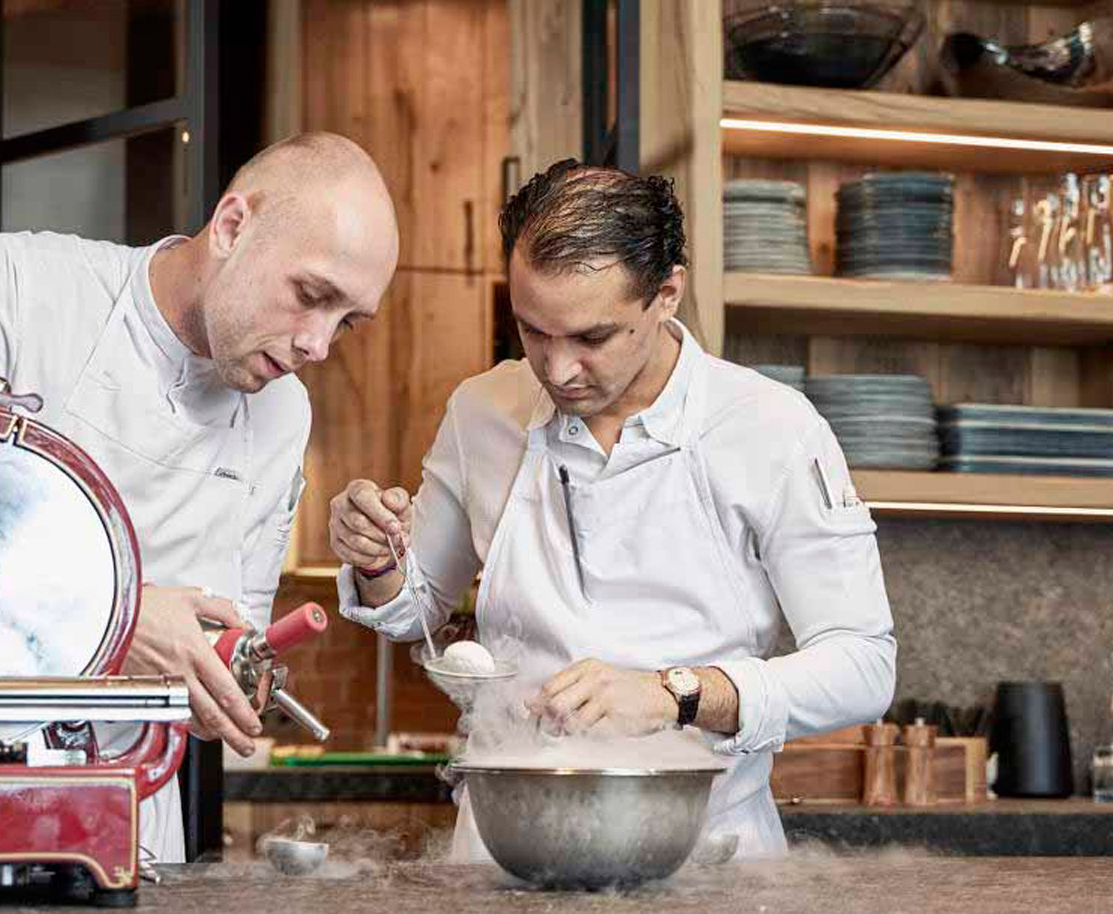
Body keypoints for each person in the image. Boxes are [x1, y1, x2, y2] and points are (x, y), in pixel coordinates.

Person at [327, 160, 896, 859]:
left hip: (706, 853)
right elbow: (416, 608)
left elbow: (864, 665)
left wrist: (675, 694)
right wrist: (379, 560)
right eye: (533, 331)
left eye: (592, 339)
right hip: (507, 847)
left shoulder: (771, 427)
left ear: (666, 296)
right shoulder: (482, 411)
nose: (558, 370)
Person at [0, 132, 400, 861]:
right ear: (232, 226)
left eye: (346, 322)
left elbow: (232, 642)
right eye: (310, 296)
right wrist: (120, 617)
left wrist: (236, 674)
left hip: (132, 823)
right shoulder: (18, 288)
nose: (318, 346)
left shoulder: (282, 413)